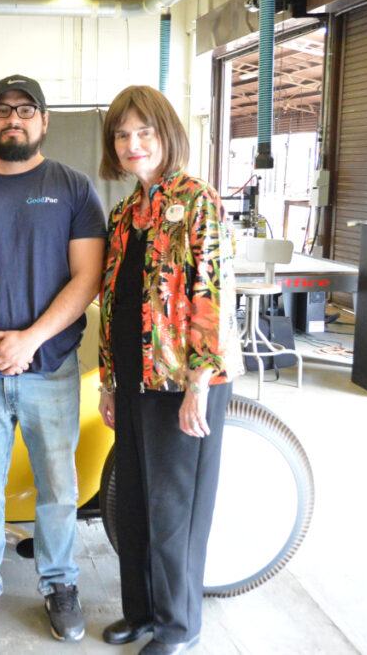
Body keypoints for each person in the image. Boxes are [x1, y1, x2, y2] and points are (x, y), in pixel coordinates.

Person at [0, 74, 106, 642]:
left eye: (26, 110)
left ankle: (59, 582)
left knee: (58, 487)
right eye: (2, 110)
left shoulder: (74, 188)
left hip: (51, 366)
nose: (14, 119)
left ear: (44, 121)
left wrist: (28, 340)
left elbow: (88, 277)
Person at [96, 84, 242, 655]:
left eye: (144, 132)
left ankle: (181, 627)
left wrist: (198, 383)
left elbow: (211, 293)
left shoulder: (196, 200)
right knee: (132, 501)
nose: (133, 144)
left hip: (183, 382)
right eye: (122, 135)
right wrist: (109, 381)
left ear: (166, 135)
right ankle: (141, 614)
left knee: (175, 509)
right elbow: (115, 301)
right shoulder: (126, 211)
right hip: (134, 379)